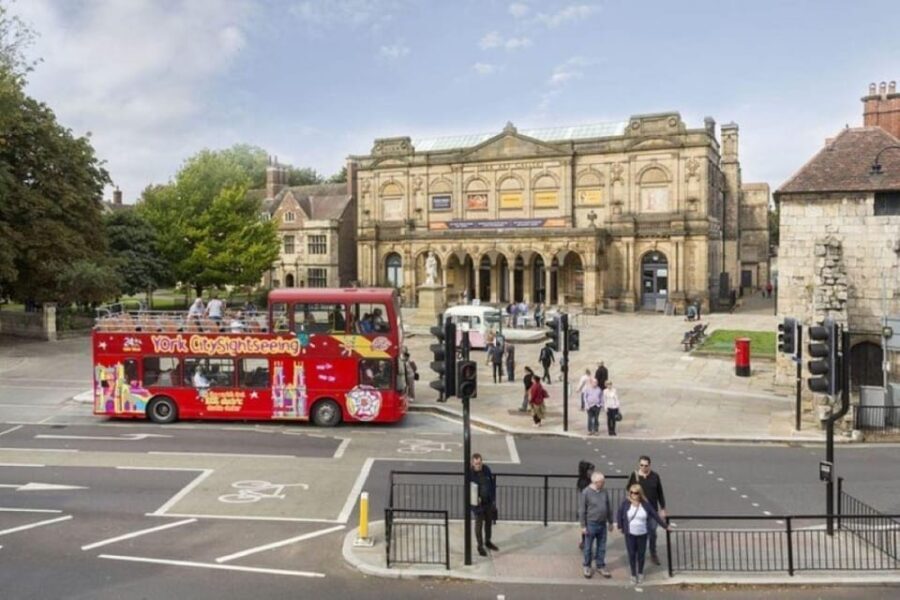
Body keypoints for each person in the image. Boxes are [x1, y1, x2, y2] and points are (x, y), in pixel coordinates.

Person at [618, 484, 670, 585]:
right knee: (632, 554)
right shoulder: (626, 503)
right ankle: (633, 574)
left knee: (641, 555)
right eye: (631, 492)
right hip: (630, 534)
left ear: (640, 494)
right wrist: (620, 526)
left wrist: (665, 526)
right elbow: (619, 513)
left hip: (642, 534)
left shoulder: (645, 504)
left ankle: (640, 573)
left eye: (636, 493)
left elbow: (655, 516)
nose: (633, 495)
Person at [627, 455, 668, 566]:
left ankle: (653, 553)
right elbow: (629, 491)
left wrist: (663, 508)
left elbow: (660, 493)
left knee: (652, 533)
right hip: (639, 510)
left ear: (650, 465)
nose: (644, 467)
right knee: (639, 534)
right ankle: (637, 554)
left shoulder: (655, 476)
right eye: (641, 465)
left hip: (652, 511)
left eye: (646, 465)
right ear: (638, 464)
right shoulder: (634, 476)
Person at [579, 472, 614, 579]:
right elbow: (582, 510)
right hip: (591, 524)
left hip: (602, 524)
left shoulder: (604, 491)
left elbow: (608, 507)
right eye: (601, 482)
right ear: (595, 482)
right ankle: (587, 566)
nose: (603, 483)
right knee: (588, 547)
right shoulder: (586, 492)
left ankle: (600, 565)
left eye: (603, 481)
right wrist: (583, 526)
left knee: (602, 547)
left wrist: (611, 522)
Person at [467, 453, 499, 556]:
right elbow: (469, 491)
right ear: (472, 463)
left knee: (488, 523)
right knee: (479, 525)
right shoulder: (470, 474)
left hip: (488, 502)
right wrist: (476, 500)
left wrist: (493, 499)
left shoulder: (486, 469)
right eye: (476, 464)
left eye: (480, 463)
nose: (479, 465)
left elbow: (492, 484)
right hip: (478, 506)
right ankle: (480, 546)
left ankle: (487, 541)